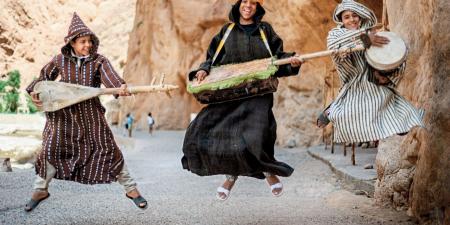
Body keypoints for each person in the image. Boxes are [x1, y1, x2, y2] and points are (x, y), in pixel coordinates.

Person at [25, 12, 147, 211]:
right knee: (49, 149)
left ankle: (131, 189)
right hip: (63, 117)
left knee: (110, 150)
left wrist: (121, 87)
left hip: (91, 117)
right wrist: (33, 91)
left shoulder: (99, 61)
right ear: (72, 43)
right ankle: (40, 189)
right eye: (82, 42)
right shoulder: (59, 61)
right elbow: (42, 79)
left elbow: (112, 79)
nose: (87, 45)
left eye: (89, 41)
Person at [182, 0, 302, 201]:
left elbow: (277, 59)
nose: (248, 6)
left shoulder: (265, 30)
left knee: (256, 136)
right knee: (208, 132)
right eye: (244, 1)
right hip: (230, 94)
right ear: (237, 5)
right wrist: (203, 69)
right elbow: (211, 58)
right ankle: (231, 176)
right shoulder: (226, 31)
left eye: (253, 3)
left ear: (257, 7)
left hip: (258, 94)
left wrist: (292, 62)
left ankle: (267, 173)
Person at [317, 0, 423, 144]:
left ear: (360, 17)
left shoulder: (372, 33)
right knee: (348, 114)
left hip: (371, 78)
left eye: (354, 15)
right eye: (346, 17)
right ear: (341, 20)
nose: (351, 19)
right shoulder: (336, 34)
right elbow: (335, 45)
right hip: (353, 80)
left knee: (400, 110)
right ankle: (331, 110)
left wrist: (388, 64)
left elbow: (387, 52)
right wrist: (366, 39)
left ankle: (393, 125)